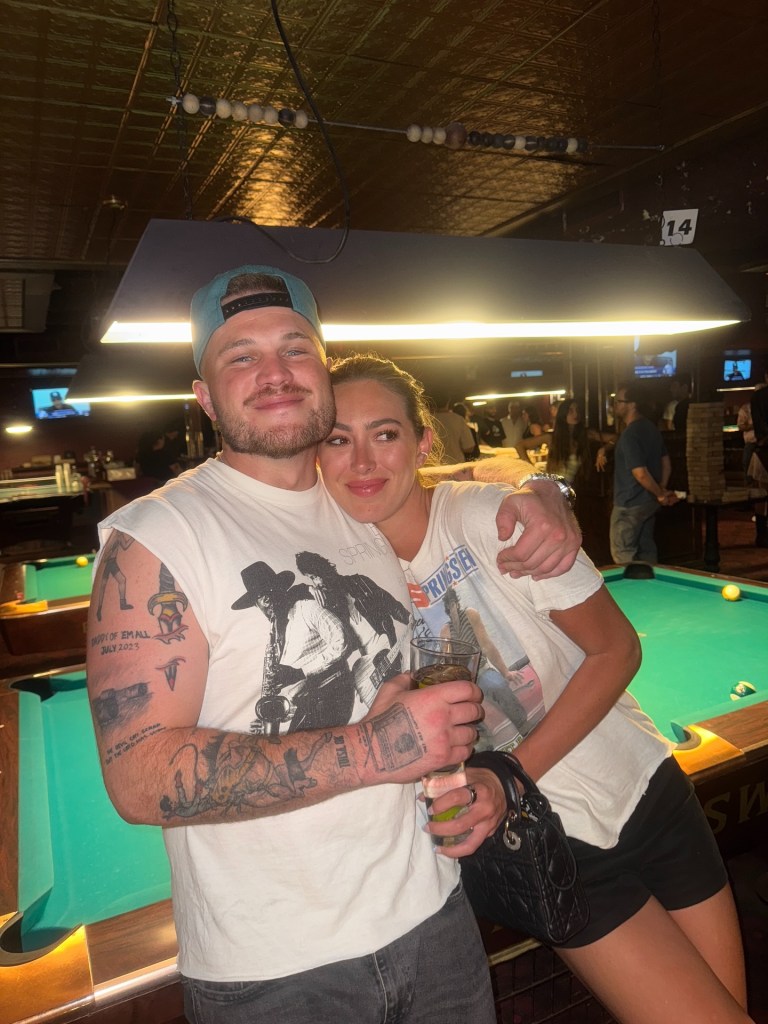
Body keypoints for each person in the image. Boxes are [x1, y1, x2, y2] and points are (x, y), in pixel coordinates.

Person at [85, 264, 582, 1024]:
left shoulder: (362, 502)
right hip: (277, 972)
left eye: (295, 348)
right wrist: (376, 748)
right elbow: (139, 776)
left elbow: (464, 479)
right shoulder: (159, 537)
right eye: (240, 356)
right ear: (205, 397)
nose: (275, 373)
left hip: (434, 918)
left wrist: (543, 486)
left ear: (324, 368)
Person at [319, 353, 753, 1024]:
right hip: (550, 843)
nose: (363, 460)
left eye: (385, 433)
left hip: (646, 787)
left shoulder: (492, 518)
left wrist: (512, 774)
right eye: (337, 439)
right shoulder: (337, 572)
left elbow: (617, 649)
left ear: (422, 440)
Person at [596, 383, 678, 565]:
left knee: (623, 555)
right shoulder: (650, 427)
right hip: (648, 503)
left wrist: (659, 493)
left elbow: (640, 473)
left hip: (628, 504)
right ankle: (652, 590)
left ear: (632, 404)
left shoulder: (630, 434)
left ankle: (631, 593)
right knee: (646, 552)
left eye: (619, 401)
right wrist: (661, 490)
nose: (615, 404)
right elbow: (666, 462)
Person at [432, 394, 476, 463]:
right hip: (455, 466)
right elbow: (469, 447)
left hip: (431, 468)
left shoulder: (427, 420)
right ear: (448, 402)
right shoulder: (458, 419)